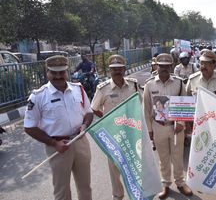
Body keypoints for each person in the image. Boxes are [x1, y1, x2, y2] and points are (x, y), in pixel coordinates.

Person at [24, 55, 93, 200]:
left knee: (85, 187)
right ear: (47, 72)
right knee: (62, 191)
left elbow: (89, 113)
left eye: (61, 72)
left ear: (67, 72)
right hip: (58, 147)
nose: (57, 76)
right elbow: (29, 127)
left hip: (80, 141)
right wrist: (54, 143)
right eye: (53, 72)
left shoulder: (78, 89)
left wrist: (85, 125)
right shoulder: (38, 96)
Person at [143, 53, 192, 199]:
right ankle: (165, 185)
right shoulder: (149, 84)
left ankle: (180, 183)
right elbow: (146, 109)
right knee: (163, 158)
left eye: (167, 66)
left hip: (176, 126)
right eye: (161, 66)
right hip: (158, 126)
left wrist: (182, 123)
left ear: (171, 66)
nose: (164, 68)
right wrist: (149, 130)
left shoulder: (179, 83)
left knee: (178, 157)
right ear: (156, 66)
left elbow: (185, 104)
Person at [186, 49, 216, 194]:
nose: (203, 66)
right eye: (201, 63)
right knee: (200, 154)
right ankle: (200, 182)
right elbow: (187, 101)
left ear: (214, 65)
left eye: (207, 64)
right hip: (200, 126)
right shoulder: (193, 79)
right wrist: (188, 124)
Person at [90, 55, 139, 200]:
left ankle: (136, 193)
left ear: (124, 69)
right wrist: (106, 120)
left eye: (120, 68)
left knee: (134, 163)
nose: (117, 71)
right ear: (110, 71)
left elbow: (140, 104)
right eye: (114, 69)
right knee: (114, 166)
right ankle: (118, 195)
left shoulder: (133, 85)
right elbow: (93, 108)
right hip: (113, 134)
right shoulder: (103, 89)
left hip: (132, 132)